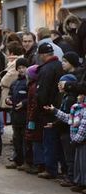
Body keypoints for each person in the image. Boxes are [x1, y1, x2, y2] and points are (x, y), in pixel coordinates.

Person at [44, 94, 86, 194]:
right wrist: (55, 110)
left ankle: (83, 183)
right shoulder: (77, 107)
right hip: (77, 140)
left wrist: (77, 139)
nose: (78, 96)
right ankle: (80, 182)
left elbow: (84, 126)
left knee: (83, 162)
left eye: (81, 94)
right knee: (78, 163)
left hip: (81, 140)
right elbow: (69, 118)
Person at [36, 42, 64, 179]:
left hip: (48, 109)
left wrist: (41, 106)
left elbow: (42, 92)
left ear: (42, 55)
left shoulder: (46, 69)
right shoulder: (59, 66)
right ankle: (63, 169)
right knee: (60, 141)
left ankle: (50, 169)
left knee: (49, 140)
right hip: (60, 108)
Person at [53, 74, 78, 187]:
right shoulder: (64, 96)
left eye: (62, 83)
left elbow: (67, 116)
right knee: (66, 155)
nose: (59, 85)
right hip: (63, 130)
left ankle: (71, 177)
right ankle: (68, 175)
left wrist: (54, 113)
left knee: (69, 156)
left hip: (68, 131)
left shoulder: (70, 99)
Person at [5, 58, 29, 169]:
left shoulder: (29, 83)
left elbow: (32, 98)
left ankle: (26, 162)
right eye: (19, 68)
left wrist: (24, 103)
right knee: (16, 139)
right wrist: (8, 100)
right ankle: (17, 160)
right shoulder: (15, 83)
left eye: (23, 67)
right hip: (15, 115)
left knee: (25, 140)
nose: (21, 70)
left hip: (25, 115)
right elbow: (9, 95)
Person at [25, 65, 45, 174]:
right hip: (33, 117)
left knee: (35, 140)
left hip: (33, 118)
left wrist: (31, 118)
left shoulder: (33, 87)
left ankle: (38, 164)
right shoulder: (33, 86)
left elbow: (33, 104)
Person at [0, 41, 24, 111]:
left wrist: (1, 81)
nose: (6, 53)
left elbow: (5, 81)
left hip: (10, 96)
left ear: (11, 53)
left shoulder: (15, 63)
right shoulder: (12, 62)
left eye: (7, 51)